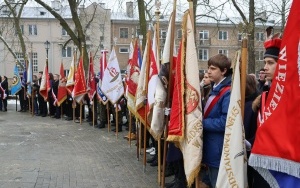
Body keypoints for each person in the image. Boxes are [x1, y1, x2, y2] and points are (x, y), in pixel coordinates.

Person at [202, 54, 232, 188]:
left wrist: (201, 124)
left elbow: (225, 121)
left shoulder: (227, 92)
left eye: (213, 68)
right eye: (208, 68)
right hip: (210, 146)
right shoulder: (215, 88)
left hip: (218, 149)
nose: (208, 71)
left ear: (224, 71)